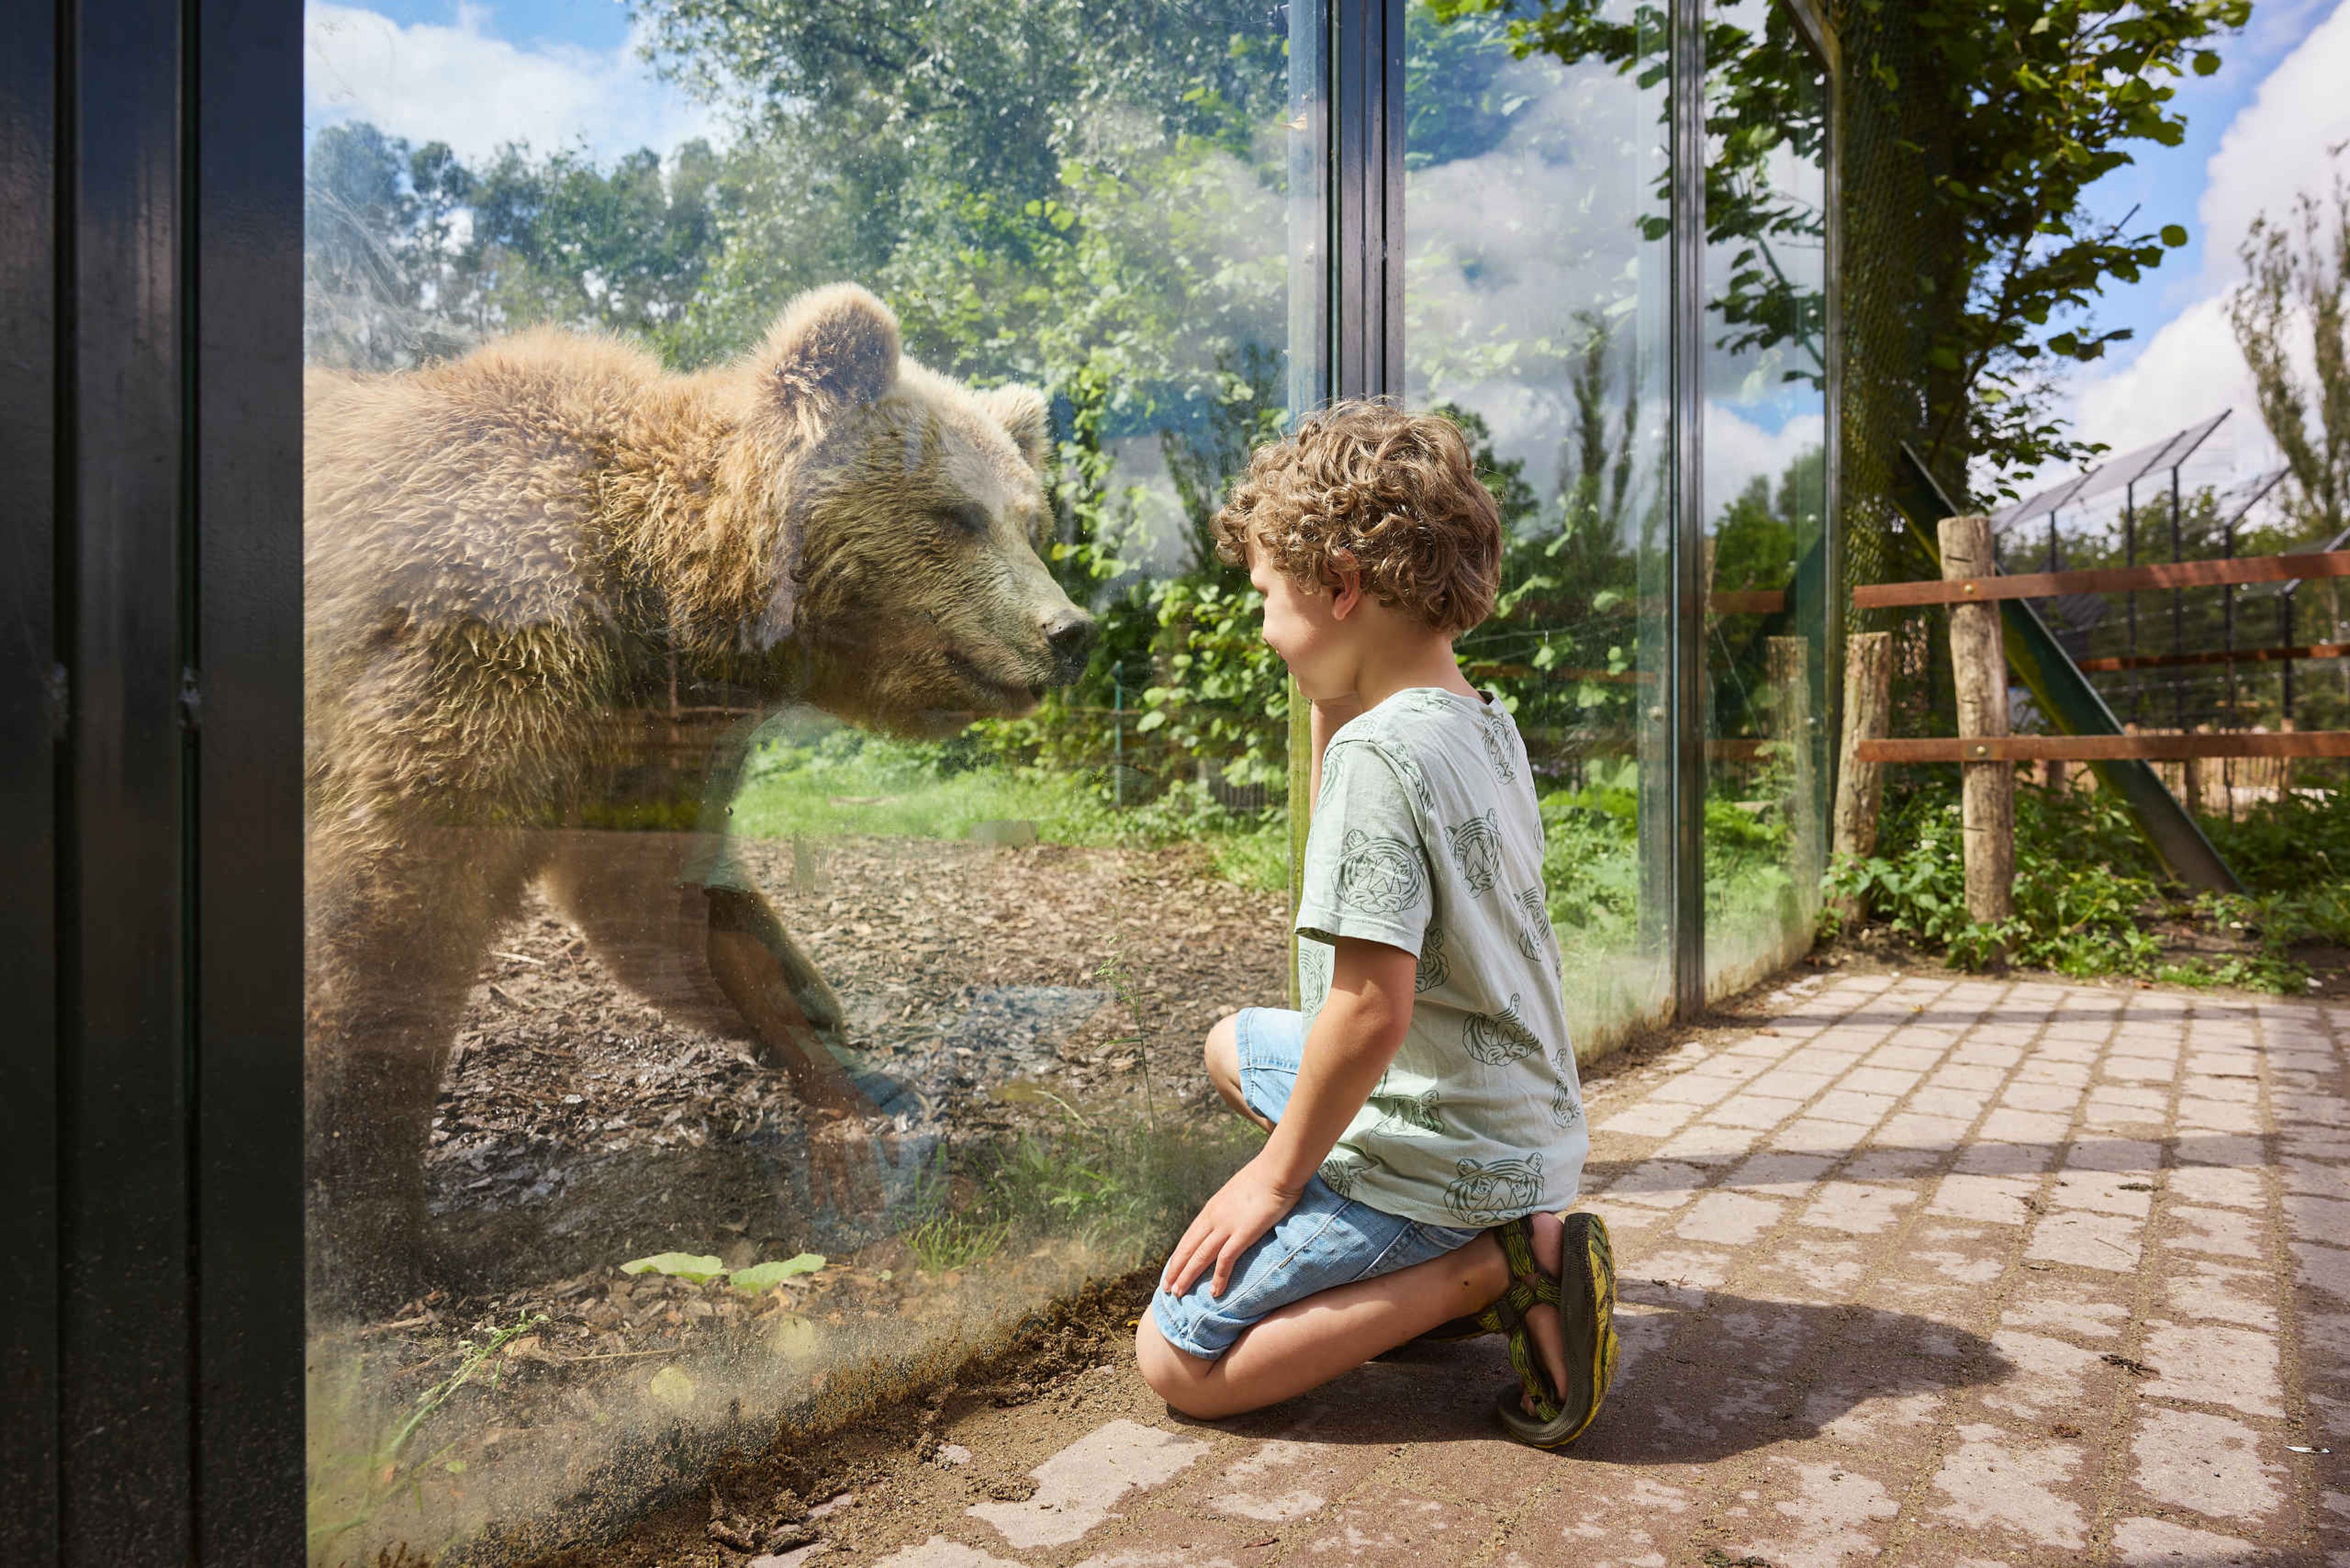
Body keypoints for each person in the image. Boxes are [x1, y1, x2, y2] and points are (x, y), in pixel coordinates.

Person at [1132, 399, 1618, 1448]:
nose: (1261, 627)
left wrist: (1275, 1178)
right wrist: (1327, 695)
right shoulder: (1481, 725)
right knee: (1235, 1045)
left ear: (1341, 586)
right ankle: (1487, 1238)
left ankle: (1486, 1271)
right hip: (1522, 1124)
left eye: (1267, 596)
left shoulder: (1377, 760)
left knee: (1179, 1358)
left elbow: (1366, 1011)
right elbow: (1352, 883)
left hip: (1441, 1148)